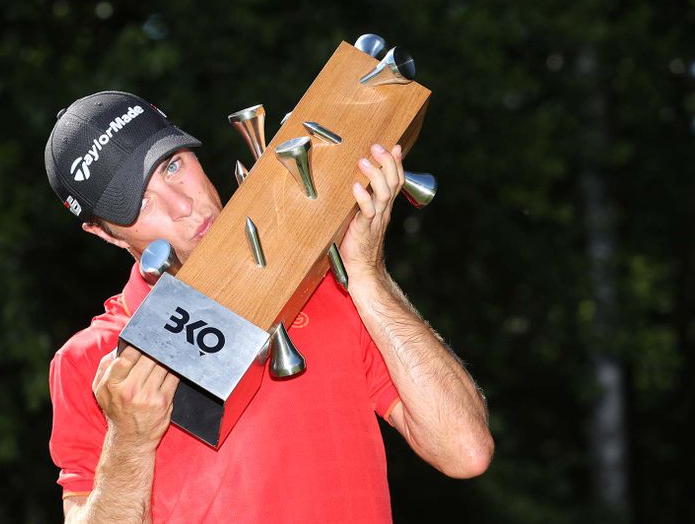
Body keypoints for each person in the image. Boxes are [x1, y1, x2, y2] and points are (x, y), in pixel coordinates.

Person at [44, 91, 493, 523]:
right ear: (106, 234)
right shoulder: (93, 363)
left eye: (173, 166)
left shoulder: (321, 282)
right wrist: (128, 443)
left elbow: (464, 450)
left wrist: (367, 277)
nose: (183, 204)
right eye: (140, 204)